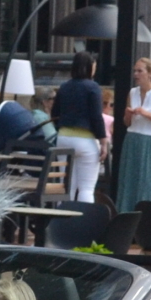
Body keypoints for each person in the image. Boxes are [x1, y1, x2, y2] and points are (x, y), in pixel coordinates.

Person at [112, 58, 151, 215]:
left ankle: (150, 222)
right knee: (130, 181)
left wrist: (146, 113)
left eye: (140, 71)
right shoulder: (132, 92)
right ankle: (127, 220)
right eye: (135, 71)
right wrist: (127, 115)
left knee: (150, 183)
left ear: (150, 73)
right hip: (133, 140)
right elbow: (127, 123)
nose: (136, 74)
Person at [49, 51, 108, 202]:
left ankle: (62, 223)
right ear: (89, 67)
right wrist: (103, 141)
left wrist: (61, 129)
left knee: (67, 187)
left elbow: (54, 113)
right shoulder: (93, 87)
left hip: (63, 138)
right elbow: (96, 117)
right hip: (85, 140)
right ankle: (84, 223)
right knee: (86, 189)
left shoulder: (64, 87)